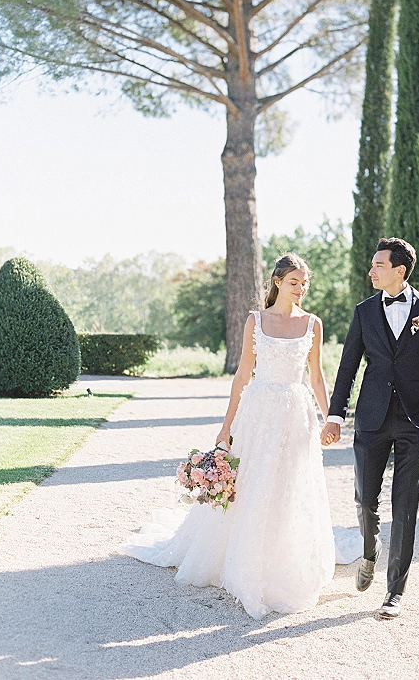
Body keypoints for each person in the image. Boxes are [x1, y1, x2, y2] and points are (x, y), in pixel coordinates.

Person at [119, 253, 338, 619]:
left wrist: (331, 418)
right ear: (278, 282)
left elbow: (316, 377)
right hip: (258, 412)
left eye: (305, 283)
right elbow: (242, 376)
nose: (300, 289)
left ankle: (286, 559)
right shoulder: (256, 321)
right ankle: (242, 558)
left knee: (290, 484)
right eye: (294, 282)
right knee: (252, 482)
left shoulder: (313, 324)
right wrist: (226, 427)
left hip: (296, 414)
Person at [321, 237, 419, 619]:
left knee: (405, 506)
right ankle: (368, 550)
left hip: (416, 419)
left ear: (400, 270)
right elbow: (348, 367)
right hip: (372, 417)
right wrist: (335, 415)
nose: (371, 271)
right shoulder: (364, 312)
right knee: (365, 498)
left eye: (378, 265)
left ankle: (395, 591)